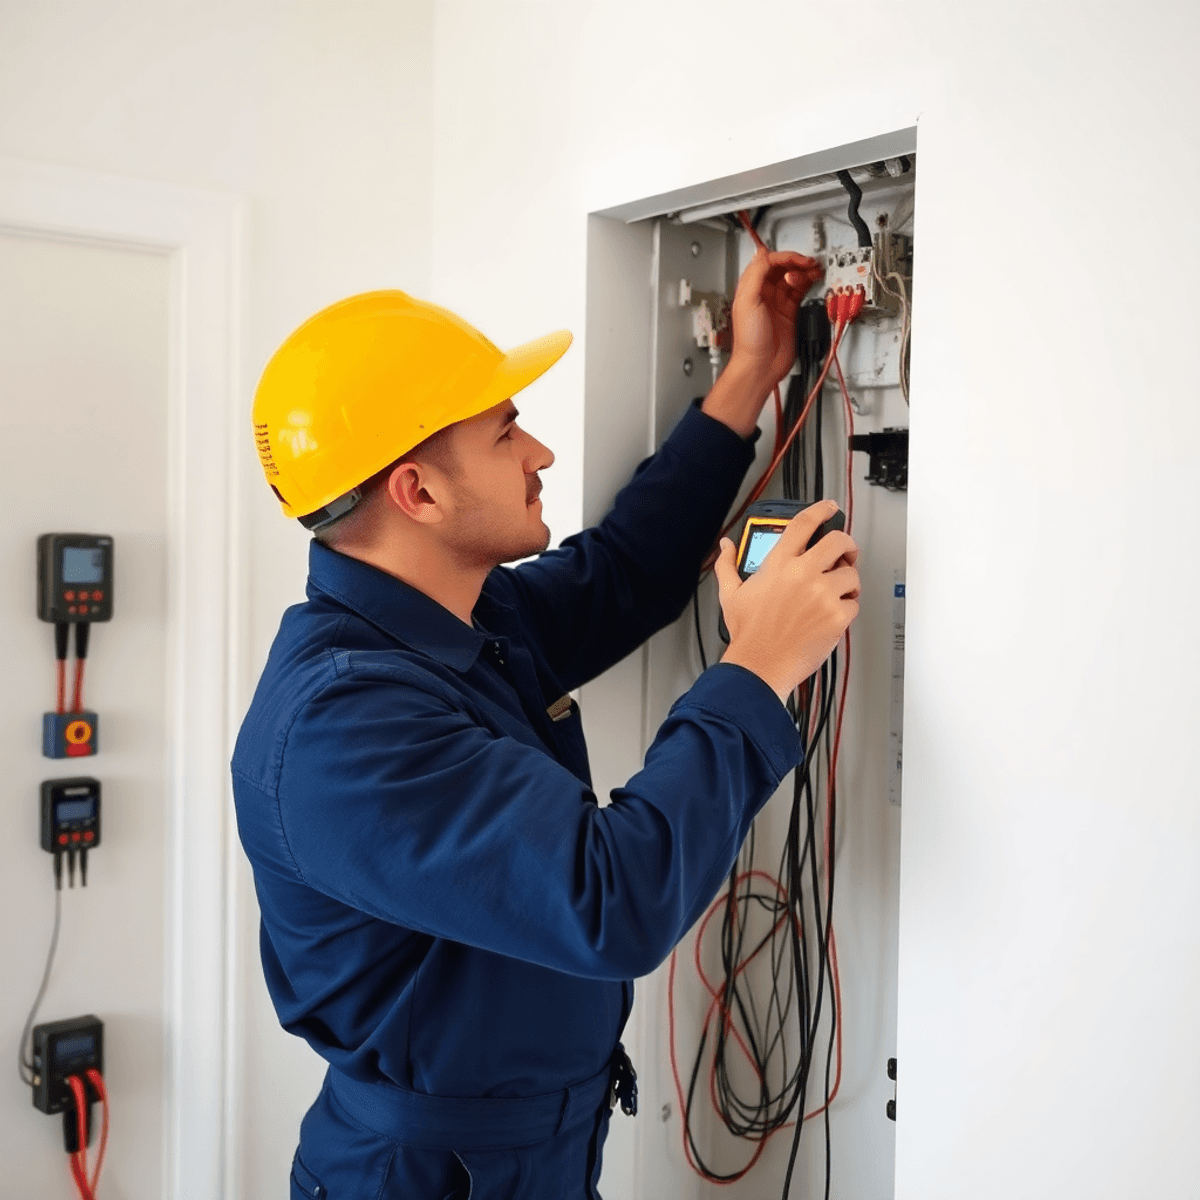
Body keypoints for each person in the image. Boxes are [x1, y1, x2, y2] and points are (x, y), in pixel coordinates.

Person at [232, 247, 860, 1200]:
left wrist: (747, 381)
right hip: (429, 1178)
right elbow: (611, 900)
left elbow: (622, 573)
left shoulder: (464, 620)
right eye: (507, 431)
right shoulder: (344, 728)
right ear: (418, 491)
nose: (540, 454)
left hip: (530, 1155)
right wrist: (759, 666)